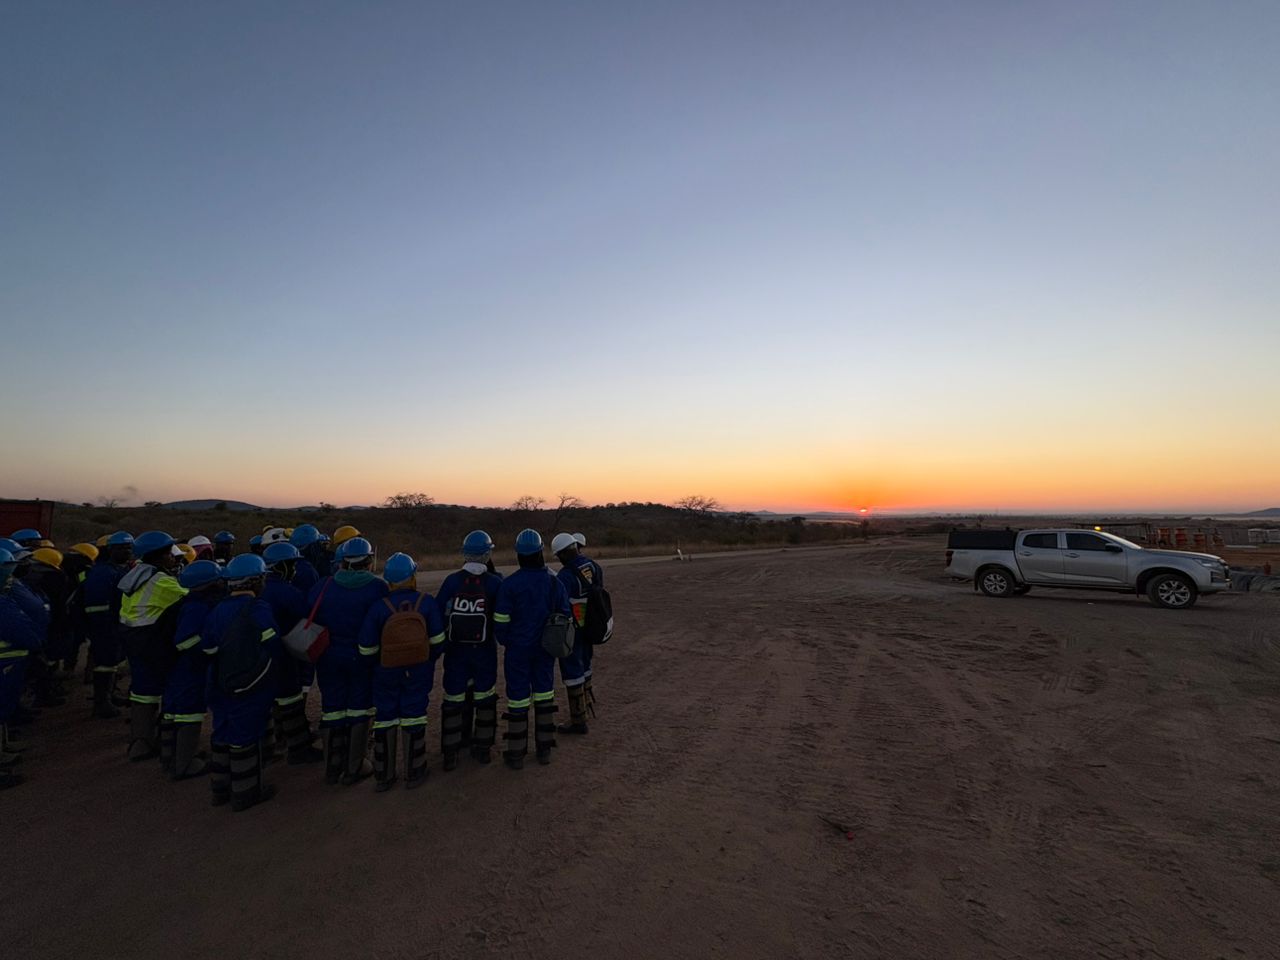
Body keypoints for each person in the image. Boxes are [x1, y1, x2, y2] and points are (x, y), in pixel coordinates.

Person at [358, 553, 445, 790]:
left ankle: (384, 775)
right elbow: (438, 640)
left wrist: (381, 662)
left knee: (385, 716)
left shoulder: (378, 608)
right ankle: (414, 770)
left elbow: (366, 648)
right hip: (418, 670)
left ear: (389, 580)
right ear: (412, 576)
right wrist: (424, 660)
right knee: (415, 713)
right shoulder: (426, 603)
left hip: (385, 671)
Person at [201, 553, 280, 811]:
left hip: (220, 682)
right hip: (250, 681)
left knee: (221, 731)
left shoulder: (217, 611)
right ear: (255, 581)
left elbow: (208, 649)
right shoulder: (258, 608)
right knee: (245, 736)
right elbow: (272, 641)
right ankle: (245, 793)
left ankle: (219, 788)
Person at [307, 536, 387, 785]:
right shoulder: (377, 588)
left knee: (332, 708)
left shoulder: (323, 586)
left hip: (328, 657)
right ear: (368, 560)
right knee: (359, 707)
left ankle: (333, 764)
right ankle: (355, 765)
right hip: (362, 658)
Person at [493, 529, 569, 769]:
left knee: (517, 698)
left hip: (518, 650)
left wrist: (509, 641)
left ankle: (516, 753)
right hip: (545, 650)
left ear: (519, 554)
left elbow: (501, 620)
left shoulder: (510, 584)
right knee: (544, 693)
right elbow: (565, 615)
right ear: (540, 552)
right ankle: (544, 748)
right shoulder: (553, 582)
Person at [435, 530, 503, 769]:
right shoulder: (495, 583)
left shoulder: (452, 581)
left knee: (453, 696)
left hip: (455, 651)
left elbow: (438, 613)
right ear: (487, 554)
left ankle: (451, 751)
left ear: (465, 554)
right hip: (484, 649)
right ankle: (483, 748)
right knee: (484, 696)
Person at [117, 531, 188, 761]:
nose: (173, 558)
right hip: (152, 639)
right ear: (157, 556)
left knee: (142, 689)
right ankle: (170, 744)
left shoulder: (138, 573)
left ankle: (140, 742)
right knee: (171, 685)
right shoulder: (162, 581)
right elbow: (189, 599)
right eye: (169, 553)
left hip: (132, 637)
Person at [260, 542, 322, 764]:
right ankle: (298, 747)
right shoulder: (285, 591)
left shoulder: (261, 588)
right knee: (290, 699)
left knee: (271, 699)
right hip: (284, 653)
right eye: (291, 564)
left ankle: (273, 741)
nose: (294, 569)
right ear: (281, 566)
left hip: (262, 656)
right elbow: (307, 612)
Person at [161, 560, 222, 780]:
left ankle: (171, 757)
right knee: (189, 714)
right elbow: (185, 641)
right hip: (188, 669)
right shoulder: (197, 607)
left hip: (179, 668)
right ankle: (185, 764)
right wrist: (210, 647)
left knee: (175, 711)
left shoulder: (187, 603)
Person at [550, 532, 607, 734]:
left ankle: (578, 720)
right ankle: (587, 702)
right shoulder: (592, 565)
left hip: (573, 630)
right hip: (591, 626)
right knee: (585, 665)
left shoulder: (565, 575)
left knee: (573, 671)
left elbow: (561, 601)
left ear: (563, 554)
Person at [1, 547, 43, 788]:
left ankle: (3, 750)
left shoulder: (6, 598)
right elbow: (19, 629)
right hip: (4, 662)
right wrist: (35, 641)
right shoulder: (2, 604)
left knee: (3, 710)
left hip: (8, 662)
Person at [83, 531, 132, 718]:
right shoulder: (103, 572)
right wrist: (105, 627)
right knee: (104, 662)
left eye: (129, 548)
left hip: (116, 624)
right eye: (122, 548)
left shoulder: (119, 569)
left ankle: (109, 695)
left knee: (112, 662)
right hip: (105, 626)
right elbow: (97, 606)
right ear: (110, 549)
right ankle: (101, 702)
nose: (127, 552)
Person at [61, 543, 97, 679]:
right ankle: (88, 671)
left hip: (67, 610)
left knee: (72, 642)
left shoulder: (61, 564)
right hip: (81, 611)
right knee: (82, 640)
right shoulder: (85, 570)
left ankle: (67, 668)